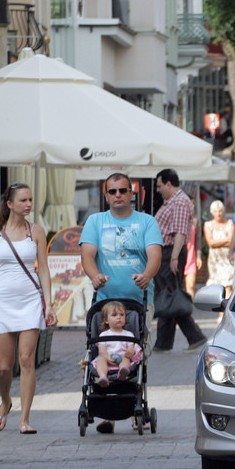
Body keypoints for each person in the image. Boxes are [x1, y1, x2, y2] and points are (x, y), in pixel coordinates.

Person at [0, 182, 55, 435]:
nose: (28, 204)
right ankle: (6, 401)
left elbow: (44, 269)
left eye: (30, 200)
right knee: (4, 367)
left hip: (29, 299)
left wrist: (48, 304)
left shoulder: (36, 231)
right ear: (9, 204)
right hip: (3, 301)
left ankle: (24, 419)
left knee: (26, 360)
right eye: (23, 200)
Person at [79, 173, 162, 433]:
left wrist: (147, 275)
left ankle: (137, 407)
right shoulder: (95, 221)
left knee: (138, 353)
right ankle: (109, 414)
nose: (118, 195)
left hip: (139, 301)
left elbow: (154, 254)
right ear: (106, 195)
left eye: (123, 191)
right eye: (113, 191)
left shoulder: (146, 222)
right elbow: (87, 254)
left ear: (131, 194)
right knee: (104, 351)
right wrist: (95, 275)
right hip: (106, 303)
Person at [152, 169, 208, 353]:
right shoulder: (174, 201)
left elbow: (180, 233)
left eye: (160, 186)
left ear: (169, 184)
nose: (158, 190)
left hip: (170, 252)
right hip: (167, 252)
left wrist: (174, 257)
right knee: (168, 295)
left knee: (170, 294)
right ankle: (164, 342)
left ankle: (195, 336)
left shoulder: (180, 202)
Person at [92, 301, 140, 387]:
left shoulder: (128, 334)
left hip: (122, 357)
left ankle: (123, 372)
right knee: (100, 360)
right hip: (107, 359)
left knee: (126, 359)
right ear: (106, 320)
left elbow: (131, 347)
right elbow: (102, 350)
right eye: (114, 315)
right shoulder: (103, 335)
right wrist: (106, 357)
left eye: (122, 315)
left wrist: (130, 352)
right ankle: (103, 377)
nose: (119, 317)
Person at [204, 200, 235, 300]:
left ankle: (225, 311)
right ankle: (220, 312)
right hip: (215, 259)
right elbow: (210, 243)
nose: (218, 213)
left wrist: (217, 242)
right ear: (212, 212)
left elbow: (232, 241)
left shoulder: (230, 223)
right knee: (217, 286)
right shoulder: (208, 225)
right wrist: (226, 240)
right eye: (216, 211)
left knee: (228, 284)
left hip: (227, 258)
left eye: (220, 211)